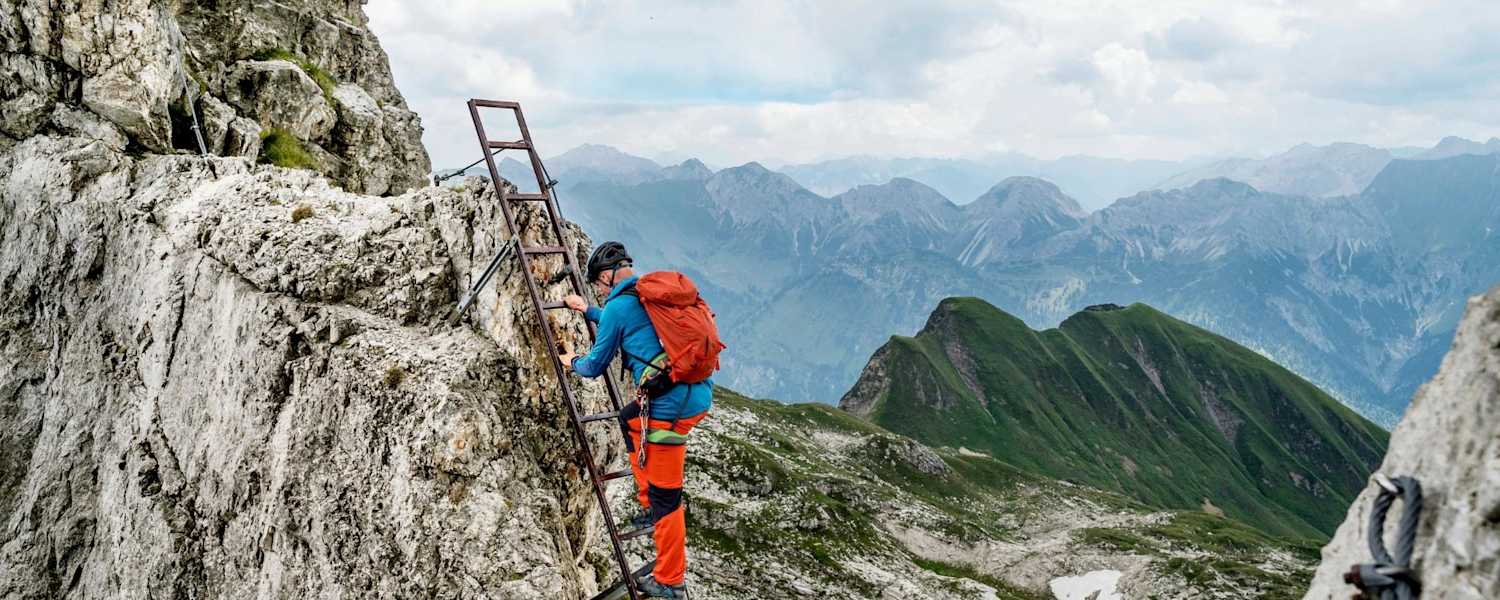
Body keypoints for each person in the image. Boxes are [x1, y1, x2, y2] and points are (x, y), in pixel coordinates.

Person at [560, 241, 712, 599]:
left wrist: (571, 362)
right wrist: (588, 311)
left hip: (669, 408)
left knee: (667, 497)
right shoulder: (647, 294)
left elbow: (594, 366)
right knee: (629, 419)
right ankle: (648, 504)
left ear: (606, 277)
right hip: (692, 392)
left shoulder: (620, 305)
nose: (599, 291)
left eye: (597, 285)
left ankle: (670, 581)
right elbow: (628, 323)